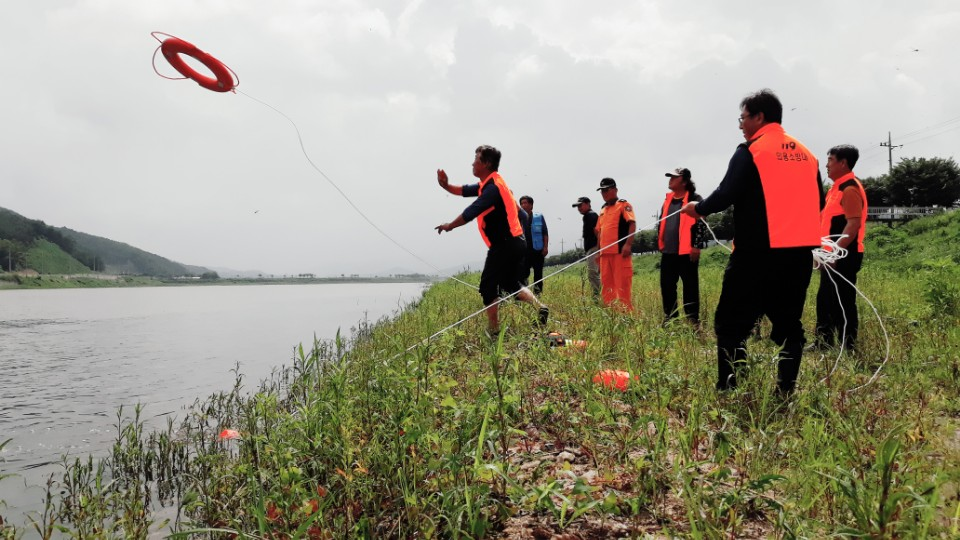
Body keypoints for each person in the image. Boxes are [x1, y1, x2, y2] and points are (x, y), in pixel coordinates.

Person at [682, 89, 825, 394]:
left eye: (743, 118)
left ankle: (730, 385)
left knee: (731, 324)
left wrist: (698, 208)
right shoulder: (808, 155)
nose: (740, 125)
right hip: (798, 256)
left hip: (755, 256)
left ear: (759, 117)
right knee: (789, 326)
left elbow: (726, 193)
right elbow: (819, 202)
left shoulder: (752, 150)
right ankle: (785, 388)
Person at [435, 145, 549, 336]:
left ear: (486, 163)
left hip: (505, 244)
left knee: (488, 287)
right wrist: (446, 185)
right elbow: (463, 190)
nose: (473, 163)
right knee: (510, 283)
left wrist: (449, 225)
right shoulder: (491, 183)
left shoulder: (493, 189)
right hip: (515, 242)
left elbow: (470, 212)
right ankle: (540, 307)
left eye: (476, 159)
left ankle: (494, 331)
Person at [814, 144, 867, 351]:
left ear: (843, 163)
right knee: (826, 299)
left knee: (843, 300)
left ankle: (848, 345)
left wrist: (835, 252)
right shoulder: (834, 190)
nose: (827, 165)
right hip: (830, 255)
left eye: (830, 160)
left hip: (845, 255)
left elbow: (852, 224)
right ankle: (824, 341)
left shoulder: (850, 189)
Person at [658, 168, 707, 326]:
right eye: (670, 176)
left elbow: (701, 223)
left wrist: (696, 245)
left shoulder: (695, 198)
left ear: (684, 181)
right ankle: (671, 319)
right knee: (667, 286)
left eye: (674, 177)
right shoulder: (668, 199)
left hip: (687, 251)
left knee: (690, 287)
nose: (670, 179)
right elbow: (662, 222)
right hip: (668, 251)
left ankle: (693, 321)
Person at [595, 178, 636, 311]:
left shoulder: (623, 205)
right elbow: (599, 232)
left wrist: (628, 244)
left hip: (620, 253)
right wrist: (598, 252)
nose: (604, 193)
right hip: (605, 255)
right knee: (607, 288)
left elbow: (632, 224)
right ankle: (611, 315)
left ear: (615, 190)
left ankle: (627, 315)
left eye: (607, 190)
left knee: (622, 287)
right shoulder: (602, 209)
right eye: (602, 191)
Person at [518, 195, 549, 295]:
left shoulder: (539, 217)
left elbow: (545, 233)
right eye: (521, 203)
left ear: (531, 205)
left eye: (525, 203)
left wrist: (545, 247)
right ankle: (525, 296)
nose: (523, 205)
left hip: (537, 251)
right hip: (524, 252)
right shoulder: (518, 218)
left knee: (538, 275)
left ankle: (538, 295)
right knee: (523, 275)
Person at [572, 196, 601, 297]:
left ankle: (598, 296)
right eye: (577, 206)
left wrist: (599, 249)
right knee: (594, 274)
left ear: (588, 204)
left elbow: (597, 231)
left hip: (594, 248)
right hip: (592, 249)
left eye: (580, 205)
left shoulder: (591, 215)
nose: (579, 208)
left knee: (593, 274)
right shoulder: (587, 216)